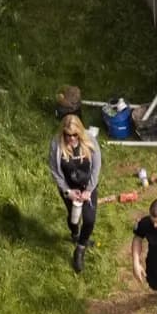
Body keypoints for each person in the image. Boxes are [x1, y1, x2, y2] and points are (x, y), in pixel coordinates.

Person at [48, 114, 100, 273]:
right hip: (69, 188)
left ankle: (80, 249)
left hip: (87, 187)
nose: (71, 138)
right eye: (67, 135)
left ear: (80, 133)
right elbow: (55, 171)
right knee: (73, 216)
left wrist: (89, 190)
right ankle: (75, 233)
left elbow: (97, 167)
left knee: (89, 219)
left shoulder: (90, 140)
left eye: (74, 135)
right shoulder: (56, 144)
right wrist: (67, 191)